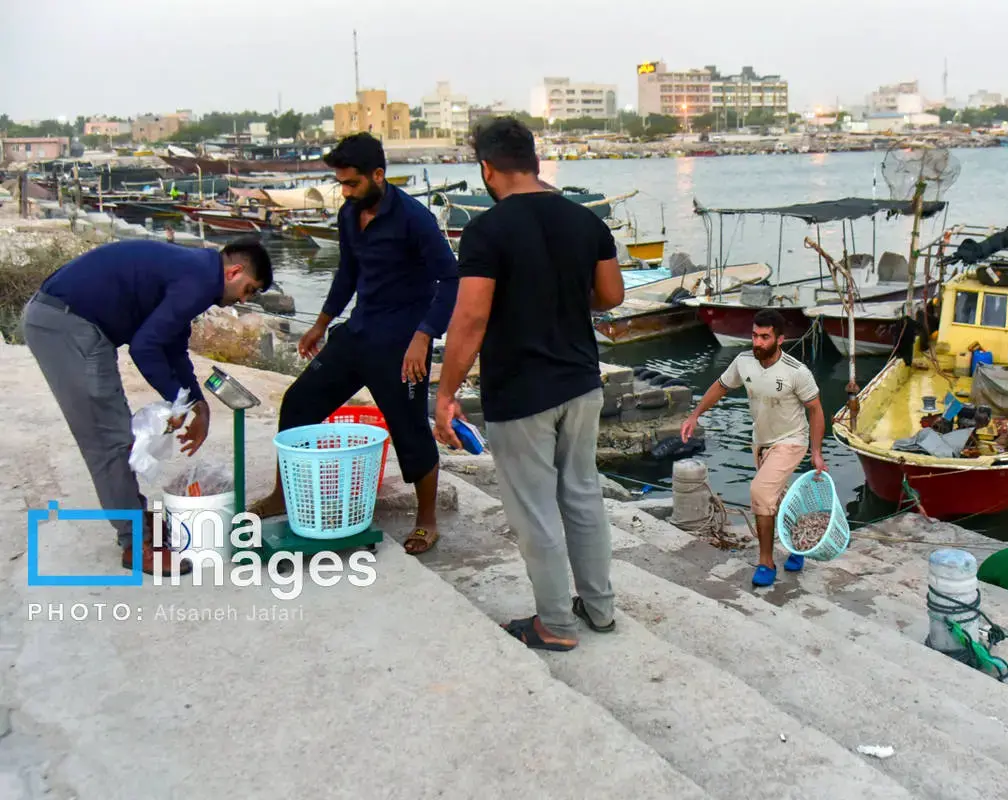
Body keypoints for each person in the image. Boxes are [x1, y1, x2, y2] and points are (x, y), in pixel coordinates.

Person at [433, 117, 625, 652]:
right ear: (535, 163)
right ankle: (600, 609)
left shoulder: (486, 231)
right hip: (581, 383)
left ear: (487, 169)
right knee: (583, 497)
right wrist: (562, 295)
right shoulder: (586, 220)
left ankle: (556, 625)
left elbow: (471, 318)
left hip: (521, 391)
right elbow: (611, 296)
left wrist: (445, 394)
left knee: (535, 510)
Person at [247, 132, 459, 555]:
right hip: (358, 333)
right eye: (340, 183)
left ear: (378, 175)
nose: (344, 191)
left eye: (351, 183)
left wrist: (424, 336)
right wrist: (321, 323)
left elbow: (450, 279)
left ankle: (427, 520)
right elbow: (347, 273)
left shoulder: (414, 218)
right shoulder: (349, 214)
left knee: (409, 430)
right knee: (298, 402)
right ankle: (282, 495)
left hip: (401, 346)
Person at [21, 238, 273, 575]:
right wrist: (178, 401)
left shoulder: (198, 270)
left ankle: (137, 520)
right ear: (235, 271)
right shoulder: (200, 280)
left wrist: (196, 403)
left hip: (71, 320)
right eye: (248, 289)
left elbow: (173, 345)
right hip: (66, 325)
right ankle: (135, 542)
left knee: (114, 434)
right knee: (108, 440)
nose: (243, 300)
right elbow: (145, 348)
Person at [681, 309, 826, 587]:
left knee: (760, 493)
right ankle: (798, 544)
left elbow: (816, 410)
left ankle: (766, 562)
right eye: (754, 336)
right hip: (761, 441)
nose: (757, 342)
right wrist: (694, 415)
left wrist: (816, 452)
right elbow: (721, 387)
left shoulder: (797, 372)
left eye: (765, 337)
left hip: (792, 439)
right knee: (776, 497)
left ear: (780, 339)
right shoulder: (743, 361)